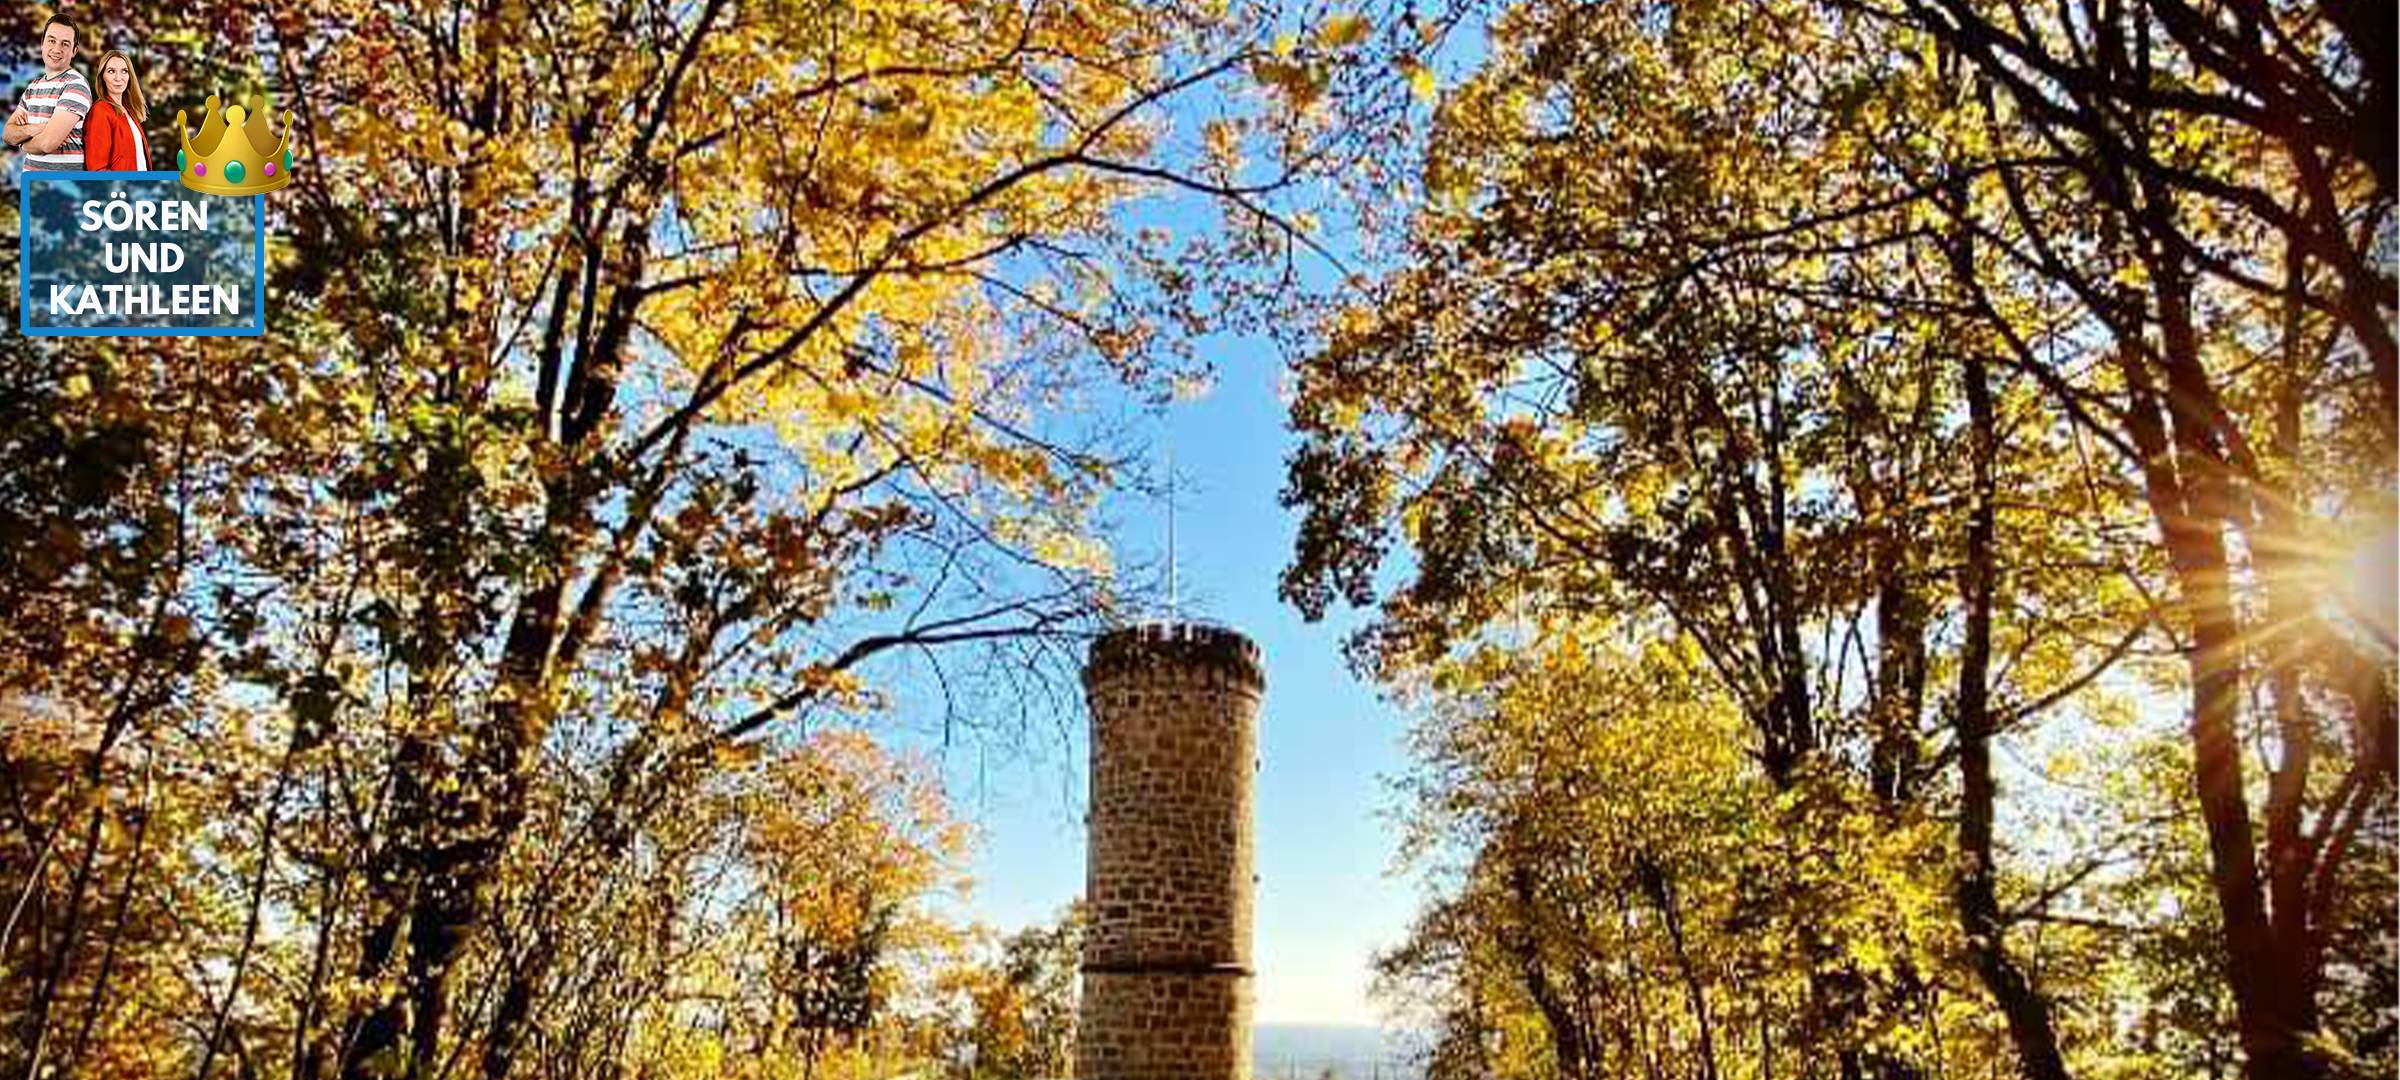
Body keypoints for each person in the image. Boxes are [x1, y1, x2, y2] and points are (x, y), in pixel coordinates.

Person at [4, 17, 90, 171]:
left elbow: (47, 144)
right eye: (51, 40)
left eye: (65, 44)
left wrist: (22, 143)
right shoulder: (33, 87)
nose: (57, 49)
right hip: (32, 185)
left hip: (61, 188)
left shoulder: (75, 85)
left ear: (74, 51)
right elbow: (8, 134)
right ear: (42, 44)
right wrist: (36, 129)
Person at [82, 50, 146, 170]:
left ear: (129, 76)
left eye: (124, 71)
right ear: (102, 77)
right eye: (111, 71)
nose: (118, 78)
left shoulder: (129, 111)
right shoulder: (100, 112)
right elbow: (97, 169)